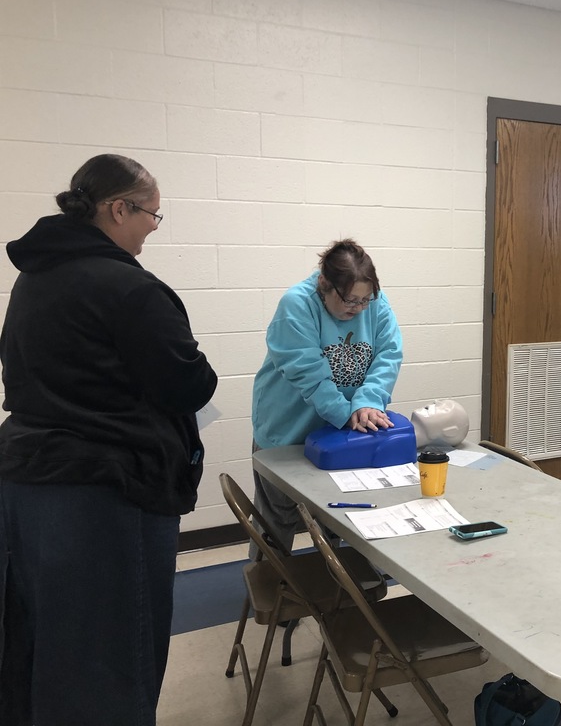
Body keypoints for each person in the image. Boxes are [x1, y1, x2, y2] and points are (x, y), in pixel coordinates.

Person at [0, 154, 218, 725]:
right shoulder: (129, 288)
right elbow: (188, 383)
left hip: (27, 485)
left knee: (46, 645)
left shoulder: (34, 278)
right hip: (106, 497)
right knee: (113, 658)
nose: (153, 225)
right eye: (152, 214)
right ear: (118, 209)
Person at [251, 239, 402, 552]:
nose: (358, 308)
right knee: (277, 519)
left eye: (365, 300)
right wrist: (347, 413)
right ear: (325, 284)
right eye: (349, 300)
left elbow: (388, 354)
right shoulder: (297, 304)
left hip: (340, 435)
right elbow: (308, 373)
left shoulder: (375, 302)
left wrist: (368, 402)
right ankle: (266, 588)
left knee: (341, 515)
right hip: (288, 429)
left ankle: (338, 589)